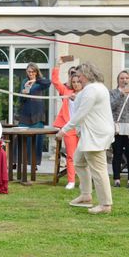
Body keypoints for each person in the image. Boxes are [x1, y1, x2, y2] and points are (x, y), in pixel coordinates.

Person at [56, 62, 114, 214]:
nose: (77, 77)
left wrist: (64, 130)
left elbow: (81, 114)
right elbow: (83, 99)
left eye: (79, 74)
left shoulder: (92, 90)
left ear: (87, 74)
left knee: (99, 169)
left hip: (95, 134)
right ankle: (86, 195)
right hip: (91, 133)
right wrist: (75, 96)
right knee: (79, 161)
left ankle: (105, 204)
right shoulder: (94, 88)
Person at [51, 59, 83, 189]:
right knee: (71, 155)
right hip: (69, 128)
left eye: (78, 82)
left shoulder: (87, 93)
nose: (76, 84)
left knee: (85, 156)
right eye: (74, 82)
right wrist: (57, 65)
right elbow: (55, 81)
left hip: (83, 128)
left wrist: (79, 99)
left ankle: (85, 181)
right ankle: (71, 181)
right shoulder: (66, 92)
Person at [17, 62, 51, 166]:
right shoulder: (24, 81)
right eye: (29, 71)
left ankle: (34, 164)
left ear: (36, 72)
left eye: (32, 71)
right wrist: (25, 90)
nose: (30, 73)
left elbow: (48, 83)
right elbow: (21, 99)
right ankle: (21, 162)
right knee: (22, 139)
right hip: (25, 114)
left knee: (36, 141)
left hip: (37, 115)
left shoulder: (41, 81)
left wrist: (36, 80)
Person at [109, 70, 129, 188]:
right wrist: (121, 94)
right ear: (118, 80)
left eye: (126, 78)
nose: (124, 80)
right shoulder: (113, 92)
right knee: (117, 153)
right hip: (117, 127)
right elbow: (110, 106)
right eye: (121, 78)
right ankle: (116, 179)